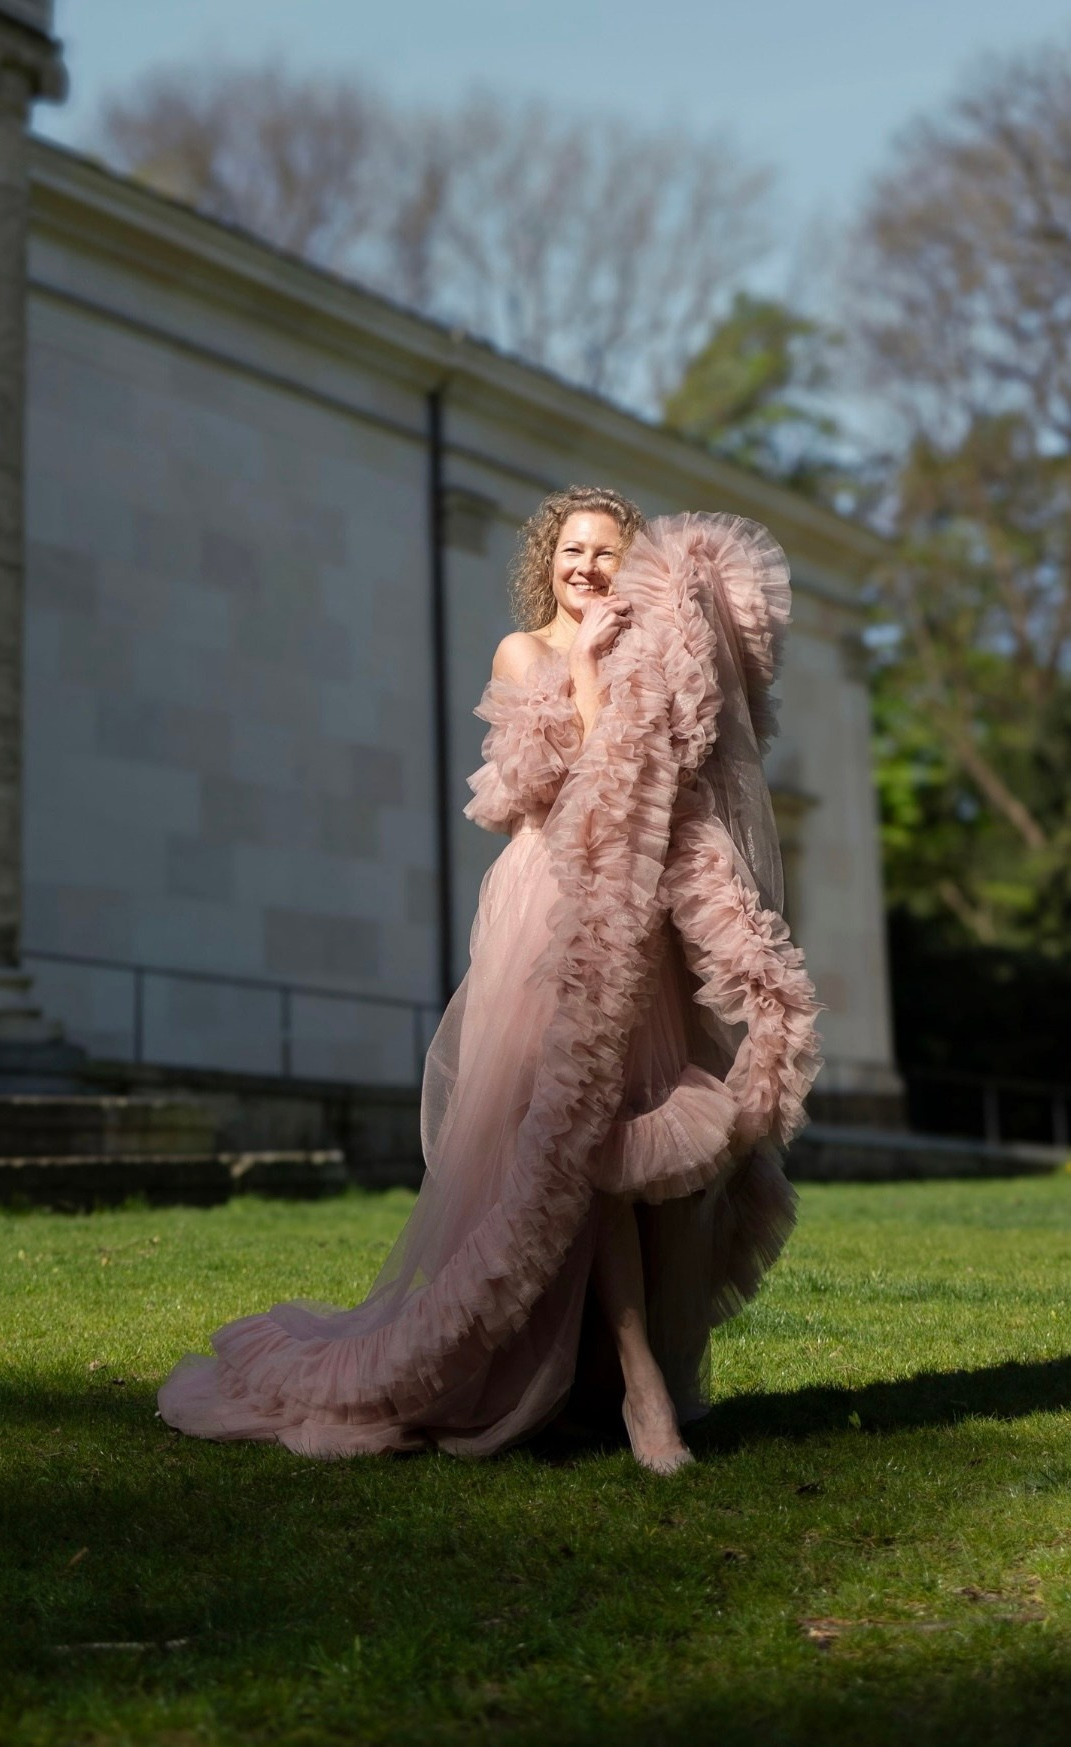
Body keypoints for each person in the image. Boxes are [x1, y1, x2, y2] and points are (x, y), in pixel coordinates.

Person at [157, 486, 824, 1470]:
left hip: (631, 915)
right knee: (575, 1140)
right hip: (551, 916)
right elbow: (567, 793)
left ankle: (618, 1378)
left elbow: (672, 787)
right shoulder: (526, 654)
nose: (589, 568)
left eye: (608, 553)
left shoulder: (641, 654)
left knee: (638, 1136)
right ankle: (643, 1397)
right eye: (573, 550)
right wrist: (594, 665)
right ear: (548, 562)